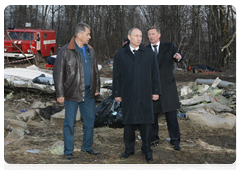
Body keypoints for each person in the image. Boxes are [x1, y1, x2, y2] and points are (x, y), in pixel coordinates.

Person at [112, 28, 161, 162]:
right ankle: (129, 149)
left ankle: (147, 150)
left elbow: (155, 73)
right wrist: (117, 93)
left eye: (140, 36)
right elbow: (116, 76)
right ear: (129, 37)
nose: (139, 38)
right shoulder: (121, 54)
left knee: (146, 123)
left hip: (145, 93)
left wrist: (156, 91)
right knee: (128, 123)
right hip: (128, 94)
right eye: (136, 36)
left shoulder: (148, 53)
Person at [53, 23, 100, 160]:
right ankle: (68, 150)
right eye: (87, 34)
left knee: (90, 121)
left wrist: (96, 88)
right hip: (71, 93)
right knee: (69, 122)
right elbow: (58, 74)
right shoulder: (65, 51)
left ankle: (87, 146)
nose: (89, 37)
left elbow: (95, 71)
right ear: (79, 35)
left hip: (88, 93)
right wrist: (60, 94)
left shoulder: (90, 50)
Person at [147, 26, 183, 151]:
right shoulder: (145, 49)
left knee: (171, 116)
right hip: (152, 88)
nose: (151, 36)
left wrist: (179, 56)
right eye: (149, 34)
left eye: (153, 34)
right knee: (152, 116)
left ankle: (175, 140)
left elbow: (177, 56)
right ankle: (154, 139)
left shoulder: (169, 46)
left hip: (168, 88)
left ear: (159, 34)